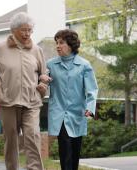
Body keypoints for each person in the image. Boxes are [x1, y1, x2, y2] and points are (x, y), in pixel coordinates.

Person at [0, 12, 48, 170]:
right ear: (14, 30)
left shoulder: (36, 50)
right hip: (7, 102)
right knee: (11, 140)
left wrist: (42, 86)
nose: (27, 34)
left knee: (33, 136)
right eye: (23, 30)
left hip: (31, 101)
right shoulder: (1, 48)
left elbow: (44, 74)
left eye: (30, 30)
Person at [44, 29, 98, 170]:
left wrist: (90, 108)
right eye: (56, 43)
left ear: (71, 44)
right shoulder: (50, 65)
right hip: (59, 113)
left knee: (75, 150)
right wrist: (42, 81)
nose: (58, 46)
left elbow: (92, 90)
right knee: (65, 148)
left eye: (61, 42)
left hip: (78, 114)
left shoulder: (84, 65)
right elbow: (43, 82)